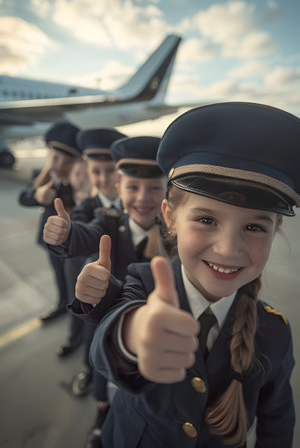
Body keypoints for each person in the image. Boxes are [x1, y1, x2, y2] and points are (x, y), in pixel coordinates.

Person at [87, 102, 299, 448]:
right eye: (206, 219)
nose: (229, 249)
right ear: (169, 216)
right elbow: (103, 349)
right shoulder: (143, 282)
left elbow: (278, 419)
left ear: (275, 232)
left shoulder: (274, 331)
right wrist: (136, 334)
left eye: (253, 226)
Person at [43, 136, 168, 448]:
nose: (143, 197)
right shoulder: (110, 223)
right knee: (104, 370)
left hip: (159, 333)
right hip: (114, 324)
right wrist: (66, 235)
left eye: (155, 187)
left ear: (167, 194)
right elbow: (87, 235)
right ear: (120, 191)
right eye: (133, 187)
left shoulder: (176, 237)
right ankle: (102, 412)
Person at [56, 128, 125, 358]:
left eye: (111, 171)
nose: (103, 179)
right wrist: (66, 235)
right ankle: (81, 355)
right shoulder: (86, 206)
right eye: (96, 171)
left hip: (120, 279)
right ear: (87, 170)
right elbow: (81, 230)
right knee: (80, 315)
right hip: (80, 271)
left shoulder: (135, 204)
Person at [18, 121, 81, 322]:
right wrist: (37, 194)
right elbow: (23, 197)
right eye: (55, 158)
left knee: (74, 280)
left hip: (73, 243)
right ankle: (62, 303)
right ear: (48, 156)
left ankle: (77, 313)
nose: (59, 165)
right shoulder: (43, 178)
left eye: (67, 161)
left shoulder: (78, 182)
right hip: (51, 241)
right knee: (59, 275)